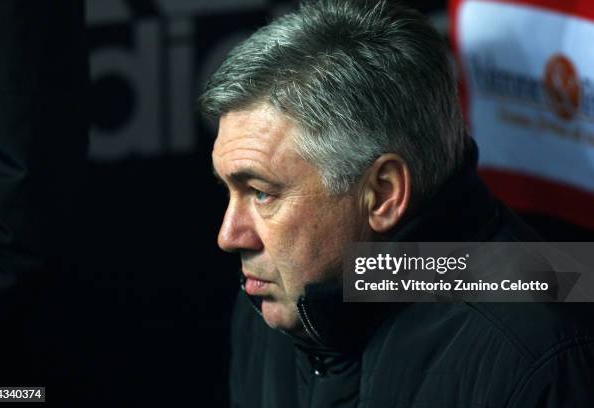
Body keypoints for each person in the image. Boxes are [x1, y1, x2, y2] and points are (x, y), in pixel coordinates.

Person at [200, 0, 594, 406]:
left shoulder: (540, 354)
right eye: (228, 190)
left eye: (262, 193)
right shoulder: (272, 296)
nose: (229, 236)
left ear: (384, 194)